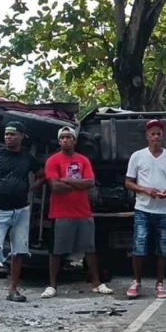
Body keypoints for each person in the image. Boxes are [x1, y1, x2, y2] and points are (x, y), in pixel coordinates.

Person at [0, 121, 44, 307]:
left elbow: (42, 174)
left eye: (13, 134)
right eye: (6, 134)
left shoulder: (27, 158)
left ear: (22, 136)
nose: (8, 137)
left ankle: (13, 289)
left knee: (18, 251)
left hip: (21, 209)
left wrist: (32, 187)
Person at [41, 126, 112, 298]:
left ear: (74, 140)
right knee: (57, 250)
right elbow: (55, 187)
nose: (65, 140)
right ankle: (52, 285)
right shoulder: (53, 161)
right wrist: (76, 182)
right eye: (62, 138)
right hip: (61, 212)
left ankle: (96, 283)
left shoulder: (83, 160)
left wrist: (66, 180)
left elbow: (90, 182)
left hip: (83, 211)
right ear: (59, 141)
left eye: (69, 137)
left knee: (89, 249)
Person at [124, 119, 166, 299]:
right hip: (143, 208)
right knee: (139, 245)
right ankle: (136, 281)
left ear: (162, 136)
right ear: (147, 136)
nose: (156, 136)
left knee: (164, 248)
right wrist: (144, 190)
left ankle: (160, 283)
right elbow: (128, 182)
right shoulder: (137, 156)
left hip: (165, 209)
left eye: (158, 133)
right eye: (152, 133)